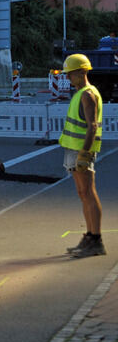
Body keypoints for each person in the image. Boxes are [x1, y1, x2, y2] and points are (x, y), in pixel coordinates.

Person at [59, 53, 106, 258]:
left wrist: (85, 154)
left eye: (71, 74)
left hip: (81, 151)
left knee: (88, 192)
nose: (68, 78)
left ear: (82, 72)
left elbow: (92, 126)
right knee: (83, 193)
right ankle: (89, 237)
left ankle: (96, 240)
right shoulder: (80, 92)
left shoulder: (88, 94)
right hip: (73, 149)